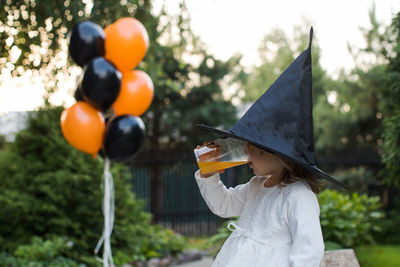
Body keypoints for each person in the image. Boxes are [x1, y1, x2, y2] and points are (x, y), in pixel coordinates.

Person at [193, 27, 347, 267]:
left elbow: (309, 251)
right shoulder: (257, 186)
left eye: (254, 148)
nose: (246, 153)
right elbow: (223, 205)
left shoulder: (298, 197)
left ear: (279, 155)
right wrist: (209, 174)